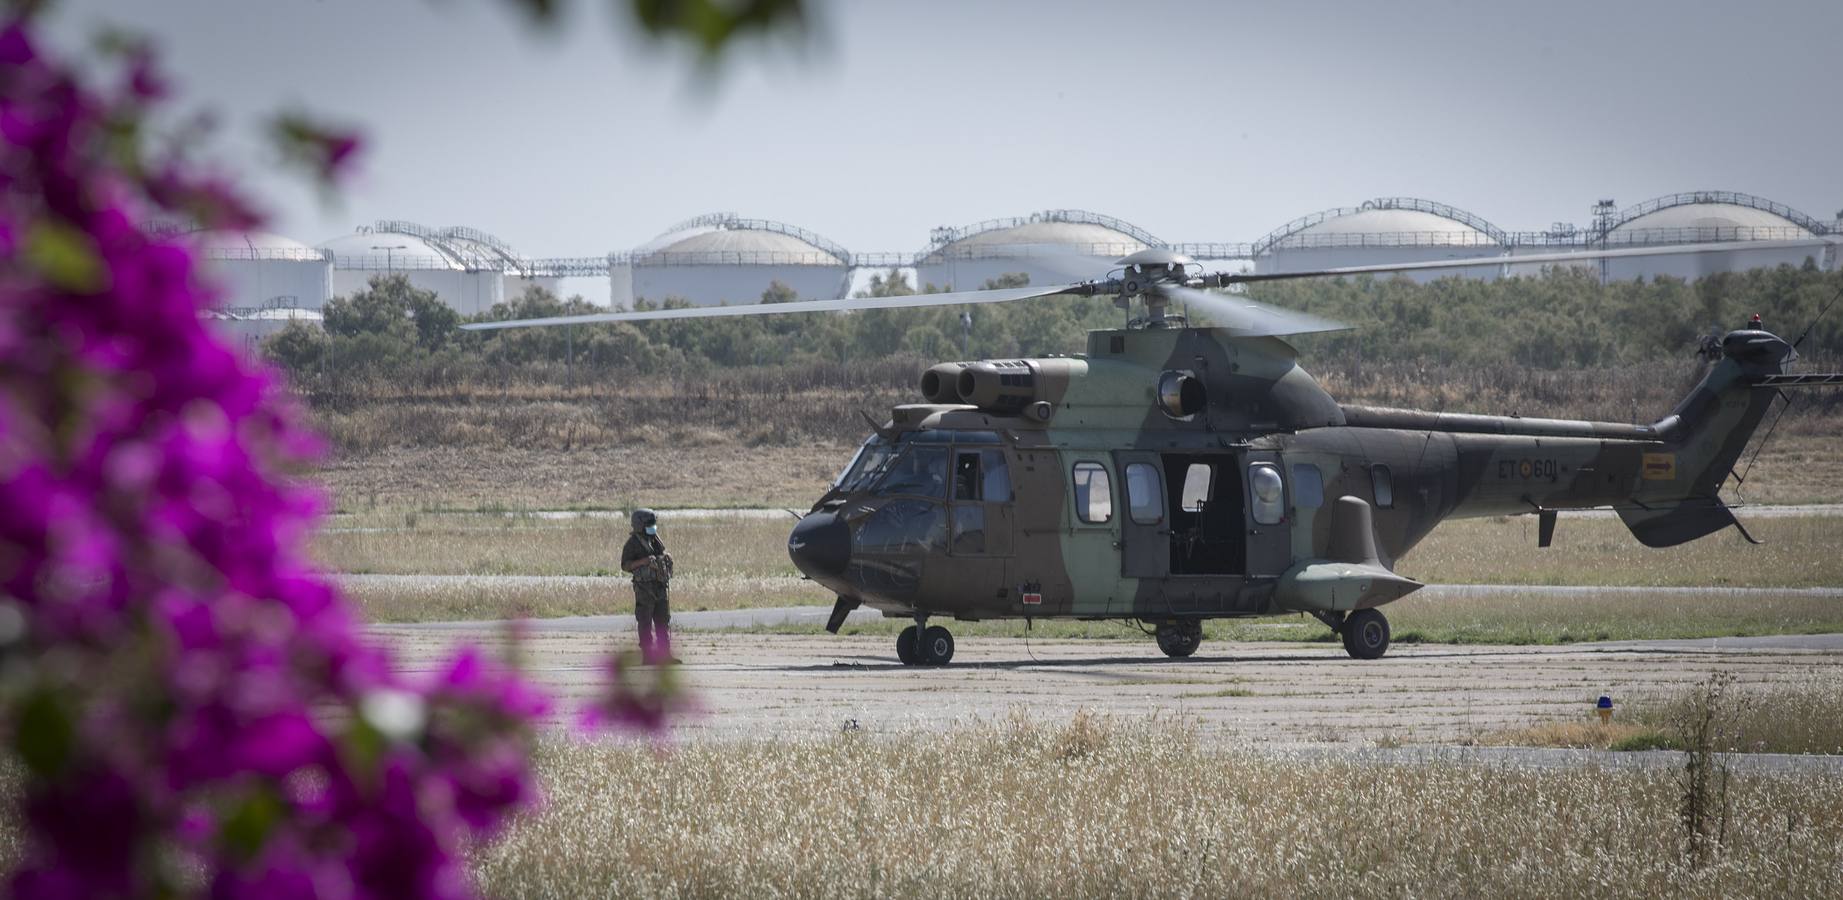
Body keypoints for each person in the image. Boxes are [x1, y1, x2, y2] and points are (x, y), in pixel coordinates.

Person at [621, 508, 675, 662]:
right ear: (639, 525)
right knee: (645, 621)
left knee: (662, 621)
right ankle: (648, 656)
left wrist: (666, 557)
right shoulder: (632, 544)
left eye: (653, 524)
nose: (652, 527)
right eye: (649, 524)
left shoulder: (655, 539)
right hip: (644, 588)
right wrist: (643, 562)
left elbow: (661, 553)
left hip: (659, 585)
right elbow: (625, 565)